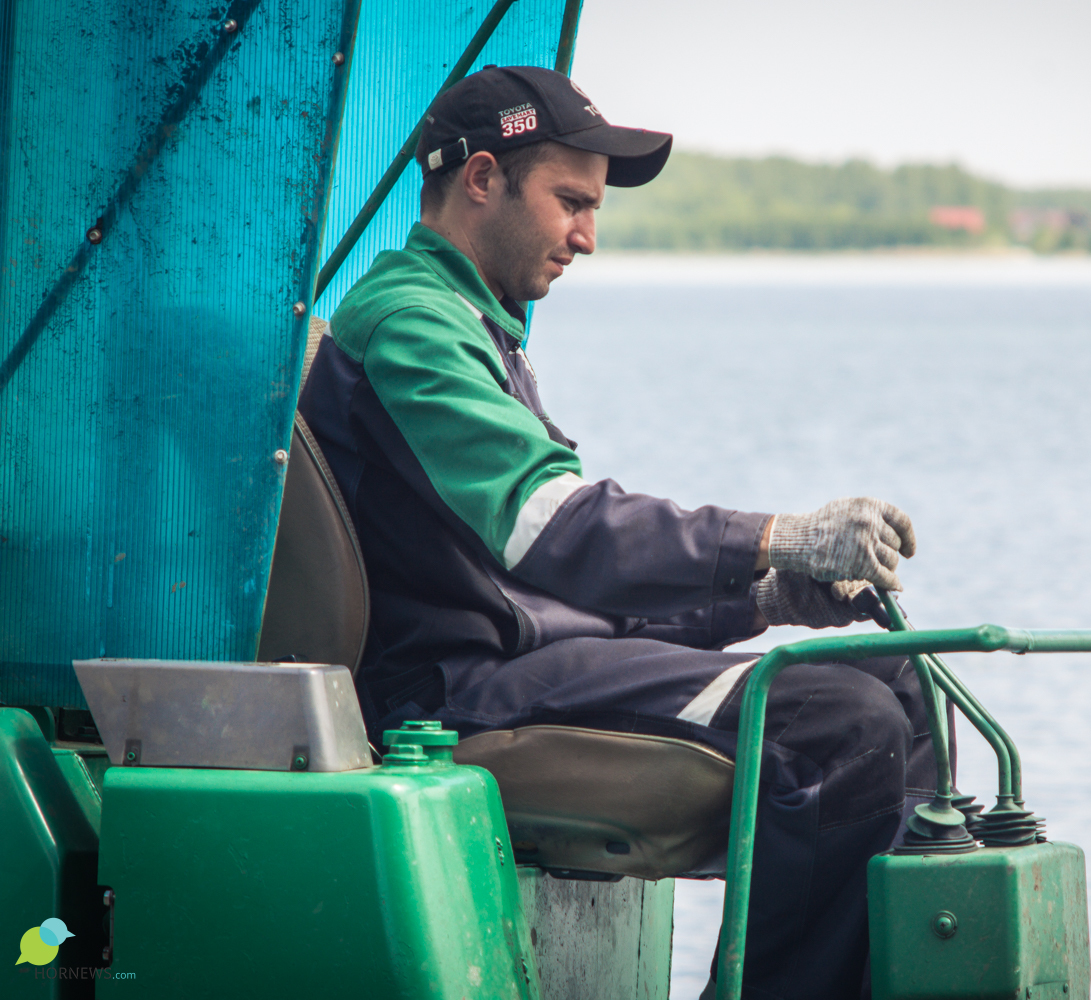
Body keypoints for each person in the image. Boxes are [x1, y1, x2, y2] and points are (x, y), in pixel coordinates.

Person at [299, 65, 934, 1000]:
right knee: (840, 723)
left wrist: (756, 600)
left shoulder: (474, 325)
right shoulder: (413, 326)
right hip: (446, 693)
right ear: (481, 179)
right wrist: (778, 538)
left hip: (515, 664)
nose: (588, 238)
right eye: (569, 202)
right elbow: (558, 534)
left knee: (898, 677)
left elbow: (561, 593)